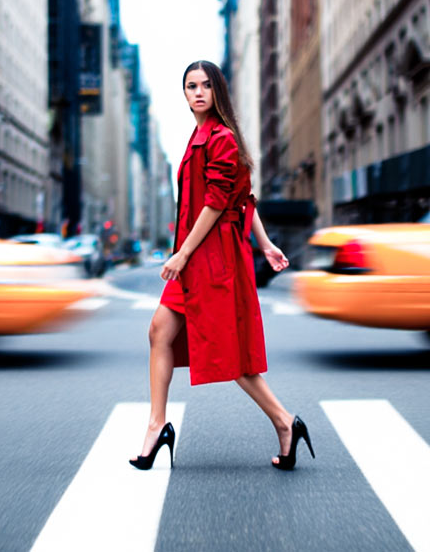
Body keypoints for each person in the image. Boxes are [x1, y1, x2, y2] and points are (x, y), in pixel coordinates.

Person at [129, 60, 314, 471]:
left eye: (206, 85)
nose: (197, 92)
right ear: (184, 93)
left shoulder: (222, 138)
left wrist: (183, 253)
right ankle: (157, 424)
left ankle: (285, 422)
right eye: (191, 85)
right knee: (159, 330)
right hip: (198, 256)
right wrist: (265, 243)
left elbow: (220, 202)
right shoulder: (200, 136)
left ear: (218, 92)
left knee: (229, 356)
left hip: (211, 259)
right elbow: (244, 198)